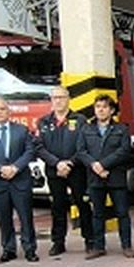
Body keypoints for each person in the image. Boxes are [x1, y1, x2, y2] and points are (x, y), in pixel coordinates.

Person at [0, 95, 39, 263]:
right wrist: (0, 168)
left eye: (2, 108)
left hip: (20, 180)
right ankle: (8, 249)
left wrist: (15, 167)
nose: (0, 112)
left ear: (8, 110)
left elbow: (30, 151)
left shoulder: (22, 130)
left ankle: (30, 249)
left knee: (26, 216)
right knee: (4, 217)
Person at [75, 94, 134, 259]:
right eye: (97, 107)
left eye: (104, 107)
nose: (100, 110)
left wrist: (104, 165)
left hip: (116, 177)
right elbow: (81, 151)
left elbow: (123, 151)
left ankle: (127, 245)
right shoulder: (86, 129)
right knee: (97, 213)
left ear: (112, 110)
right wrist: (95, 165)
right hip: (95, 178)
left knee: (122, 213)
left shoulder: (121, 129)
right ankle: (98, 246)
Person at [34, 86, 90, 257]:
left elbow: (83, 146)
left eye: (62, 97)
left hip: (77, 170)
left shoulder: (80, 120)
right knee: (57, 206)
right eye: (55, 98)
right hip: (54, 171)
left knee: (83, 204)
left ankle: (90, 240)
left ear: (68, 99)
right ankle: (58, 242)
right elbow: (39, 147)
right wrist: (57, 163)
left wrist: (70, 163)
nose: (58, 101)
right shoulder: (43, 122)